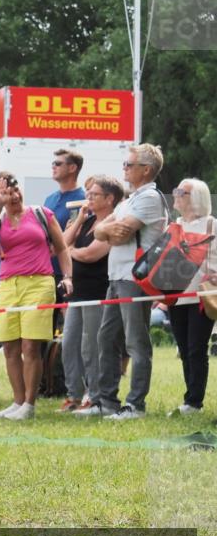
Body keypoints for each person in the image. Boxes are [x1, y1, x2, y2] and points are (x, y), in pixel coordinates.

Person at [0, 173, 73, 421]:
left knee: (30, 345)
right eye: (7, 192)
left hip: (39, 283)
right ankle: (18, 401)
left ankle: (30, 404)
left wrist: (67, 276)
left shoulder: (42, 213)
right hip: (8, 285)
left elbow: (62, 247)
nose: (14, 195)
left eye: (15, 189)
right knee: (10, 347)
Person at [88, 143, 168, 420]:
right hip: (116, 276)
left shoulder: (150, 198)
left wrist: (105, 230)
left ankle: (136, 405)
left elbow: (120, 235)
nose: (124, 168)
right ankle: (106, 402)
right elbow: (98, 231)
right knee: (106, 338)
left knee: (136, 342)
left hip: (134, 278)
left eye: (129, 165)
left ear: (146, 170)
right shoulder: (128, 200)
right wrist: (106, 229)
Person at [61, 176, 121, 413]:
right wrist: (78, 222)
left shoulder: (112, 223)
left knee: (91, 346)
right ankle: (73, 395)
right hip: (77, 292)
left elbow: (91, 254)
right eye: (88, 194)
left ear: (109, 198)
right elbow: (61, 243)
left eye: (94, 194)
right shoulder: (87, 221)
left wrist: (70, 251)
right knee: (69, 344)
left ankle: (95, 397)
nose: (88, 198)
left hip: (97, 292)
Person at [167, 178, 216, 416]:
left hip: (201, 295)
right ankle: (190, 399)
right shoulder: (174, 224)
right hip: (176, 295)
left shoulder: (211, 225)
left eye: (181, 191)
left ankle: (194, 402)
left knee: (197, 348)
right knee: (184, 348)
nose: (175, 194)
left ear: (195, 197)